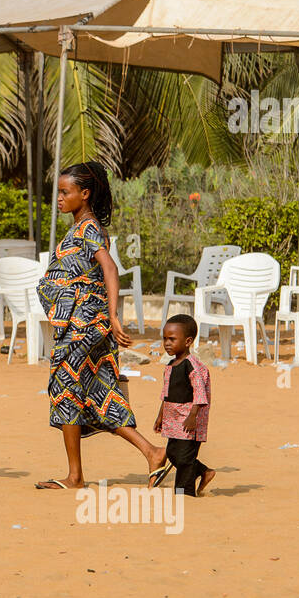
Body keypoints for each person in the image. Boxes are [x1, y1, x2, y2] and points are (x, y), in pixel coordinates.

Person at [34, 161, 168, 491]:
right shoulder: (80, 227)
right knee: (97, 393)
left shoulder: (88, 228)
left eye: (65, 192)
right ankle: (152, 452)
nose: (59, 199)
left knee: (65, 389)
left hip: (82, 325)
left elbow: (110, 269)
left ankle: (76, 477)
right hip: (84, 323)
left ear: (85, 193)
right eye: (59, 192)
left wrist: (114, 315)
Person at [153, 314, 216, 496]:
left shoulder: (193, 366)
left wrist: (193, 416)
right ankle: (204, 471)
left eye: (172, 339)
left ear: (188, 341)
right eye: (165, 338)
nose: (167, 343)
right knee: (173, 452)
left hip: (189, 420)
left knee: (184, 457)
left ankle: (185, 495)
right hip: (173, 419)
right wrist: (160, 416)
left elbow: (199, 394)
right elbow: (166, 394)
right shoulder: (171, 365)